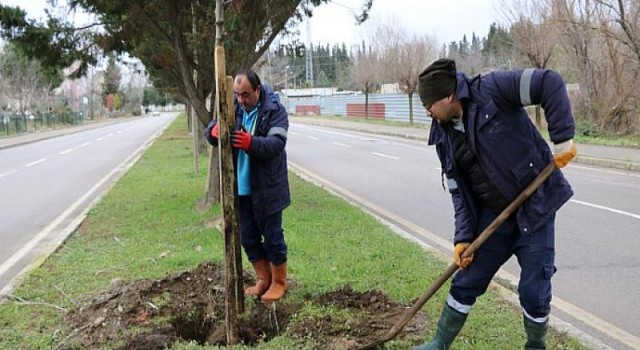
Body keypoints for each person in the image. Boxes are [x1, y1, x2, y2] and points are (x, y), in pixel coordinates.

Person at [414, 59, 577, 350]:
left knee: (534, 291)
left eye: (429, 104)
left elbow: (549, 82)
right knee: (467, 280)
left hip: (534, 208)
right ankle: (438, 343)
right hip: (493, 217)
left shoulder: (493, 89)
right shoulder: (442, 137)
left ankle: (536, 346)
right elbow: (458, 193)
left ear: (449, 96)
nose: (427, 111)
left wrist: (563, 137)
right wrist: (464, 237)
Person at [204, 69, 290, 303]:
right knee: (248, 238)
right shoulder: (232, 108)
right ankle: (264, 278)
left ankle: (279, 282)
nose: (241, 100)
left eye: (245, 95)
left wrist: (251, 143)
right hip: (240, 190)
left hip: (268, 188)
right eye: (237, 95)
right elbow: (211, 130)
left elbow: (276, 144)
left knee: (272, 237)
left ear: (257, 90)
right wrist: (213, 132)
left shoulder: (275, 111)